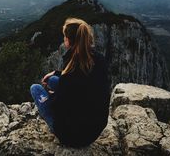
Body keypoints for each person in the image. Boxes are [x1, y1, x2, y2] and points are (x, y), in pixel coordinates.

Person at [30, 17, 111, 148]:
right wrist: (56, 73)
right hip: (94, 130)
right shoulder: (99, 59)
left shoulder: (71, 70)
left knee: (35, 88)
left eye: (64, 36)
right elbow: (82, 82)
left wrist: (51, 95)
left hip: (72, 136)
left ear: (68, 40)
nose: (63, 39)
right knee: (53, 79)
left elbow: (59, 107)